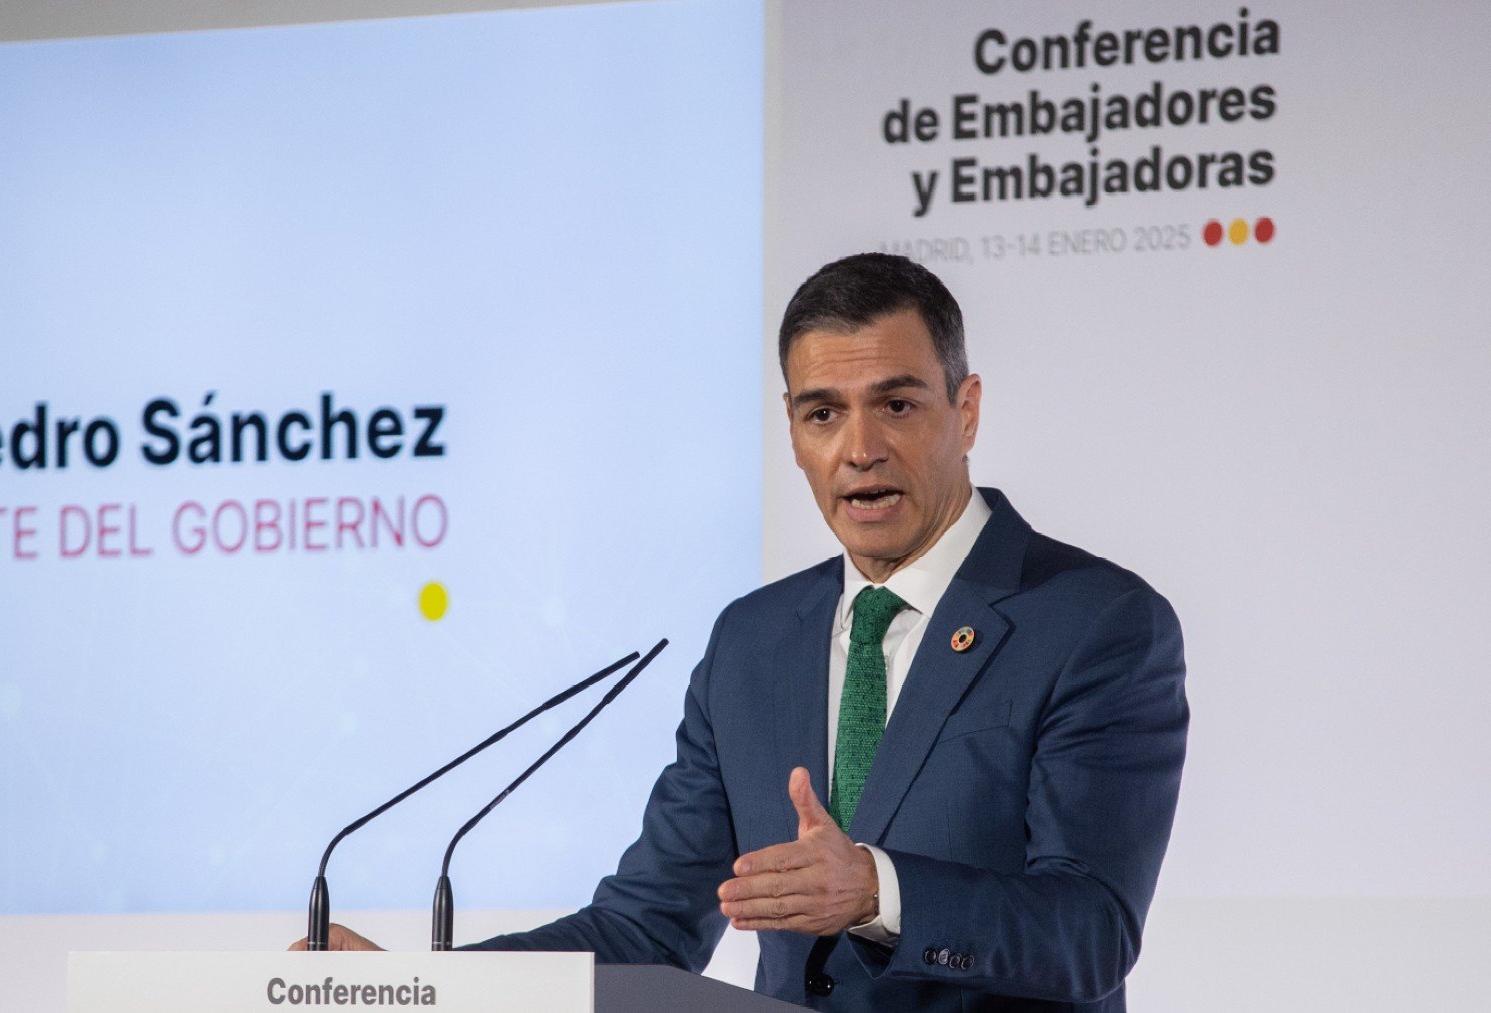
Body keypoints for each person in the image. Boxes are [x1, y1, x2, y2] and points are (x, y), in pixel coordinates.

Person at [296, 253, 1189, 1012]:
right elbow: (646, 926)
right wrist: (426, 989)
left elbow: (1091, 928)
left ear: (968, 410)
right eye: (823, 412)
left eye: (900, 404)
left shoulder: (1094, 622)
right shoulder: (754, 642)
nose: (861, 448)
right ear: (794, 434)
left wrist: (879, 890)